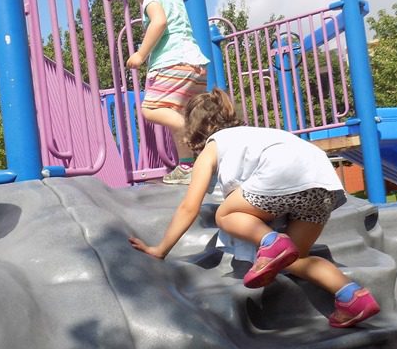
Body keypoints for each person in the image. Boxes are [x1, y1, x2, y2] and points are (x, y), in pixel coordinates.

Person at [128, 88, 380, 328]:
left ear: (194, 129)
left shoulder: (213, 146)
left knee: (226, 213)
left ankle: (271, 241)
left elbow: (189, 207)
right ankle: (352, 296)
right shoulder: (258, 134)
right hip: (324, 182)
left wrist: (160, 249)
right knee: (294, 259)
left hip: (283, 172)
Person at [122, 0, 209, 185]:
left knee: (151, 109)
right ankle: (186, 166)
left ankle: (200, 135)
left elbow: (159, 22)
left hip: (172, 63)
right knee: (176, 115)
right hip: (196, 64)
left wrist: (140, 54)